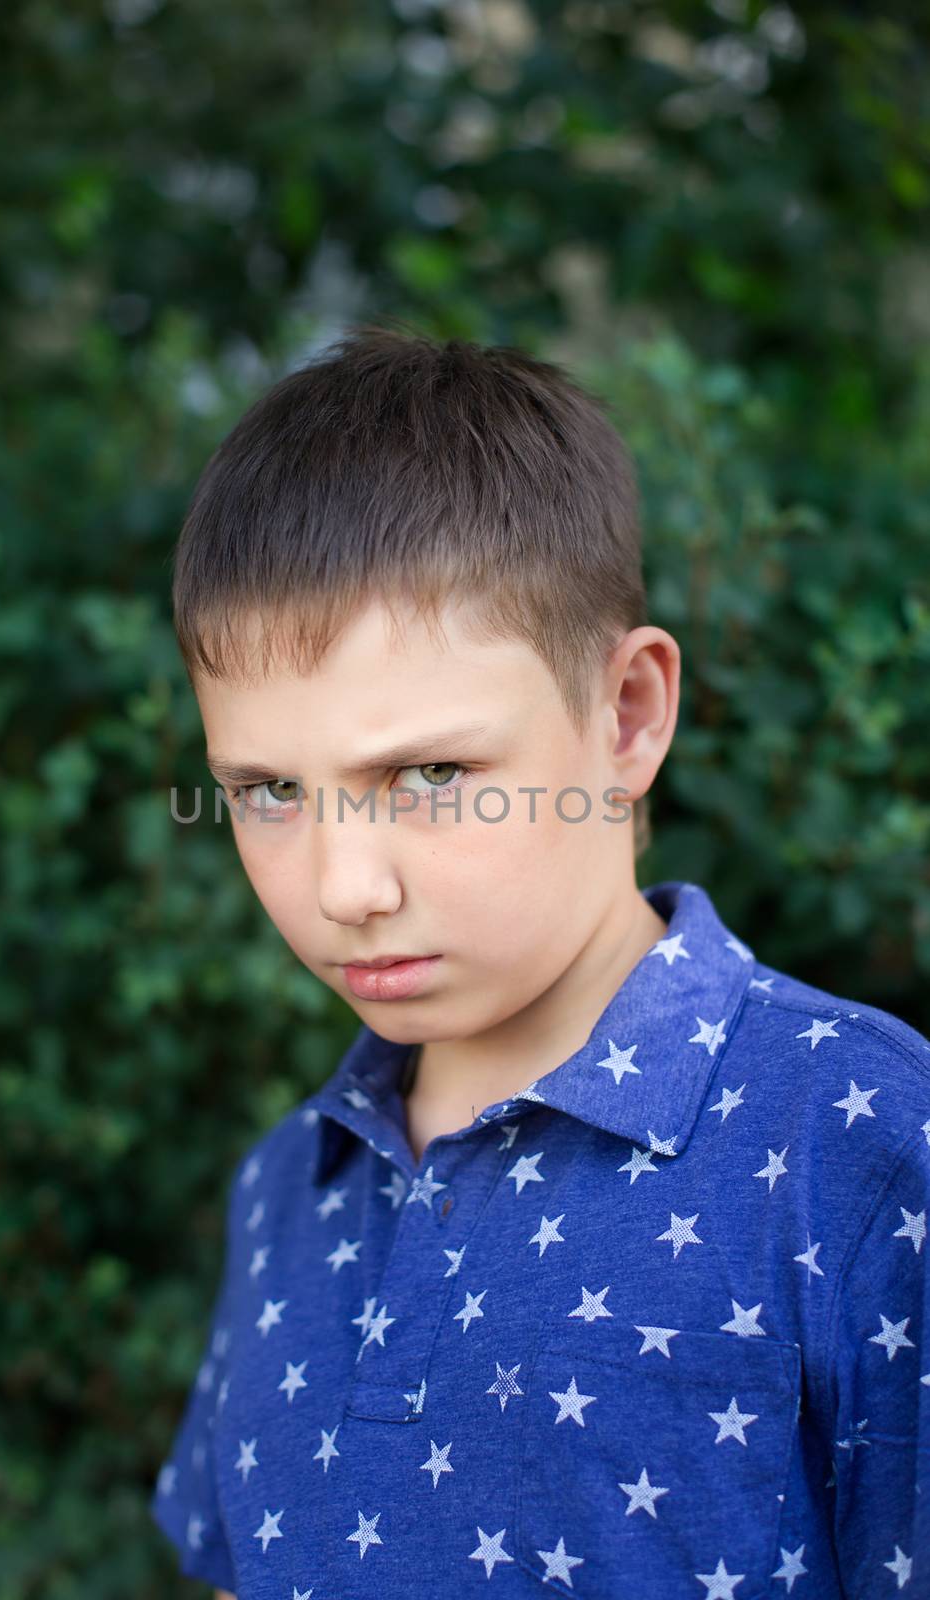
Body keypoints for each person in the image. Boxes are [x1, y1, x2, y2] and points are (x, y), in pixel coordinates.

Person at [149, 325, 929, 1599]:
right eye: (269, 790)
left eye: (431, 774)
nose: (347, 887)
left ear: (626, 714)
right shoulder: (289, 1183)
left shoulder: (860, 1151)